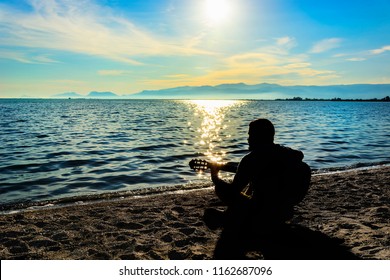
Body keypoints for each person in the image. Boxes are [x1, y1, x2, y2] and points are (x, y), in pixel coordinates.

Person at [205, 118, 310, 259]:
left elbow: (233, 192)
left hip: (259, 212)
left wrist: (215, 177)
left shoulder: (250, 159)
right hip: (284, 210)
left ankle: (228, 219)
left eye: (250, 135)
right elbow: (299, 155)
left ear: (258, 137)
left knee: (221, 191)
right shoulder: (287, 153)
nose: (248, 139)